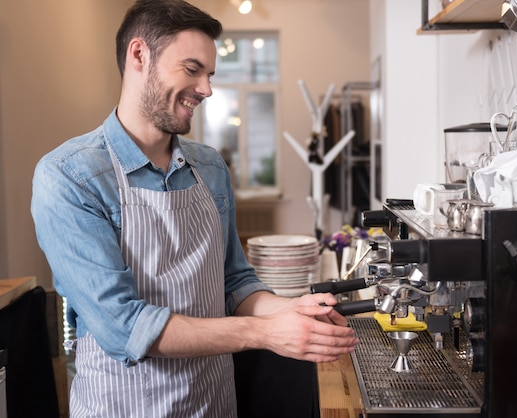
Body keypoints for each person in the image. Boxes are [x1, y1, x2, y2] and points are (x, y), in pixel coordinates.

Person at [30, 0, 359, 416]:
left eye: (210, 74)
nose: (206, 89)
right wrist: (266, 333)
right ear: (139, 56)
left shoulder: (210, 166)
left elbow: (234, 282)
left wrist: (292, 310)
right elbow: (123, 327)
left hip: (214, 403)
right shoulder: (70, 176)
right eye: (192, 69)